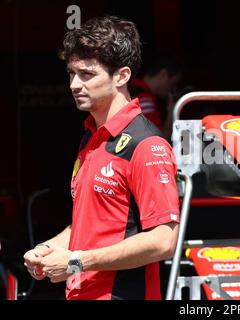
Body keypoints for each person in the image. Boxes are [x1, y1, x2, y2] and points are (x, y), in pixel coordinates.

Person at [22, 15, 180, 300]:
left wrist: (75, 261)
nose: (73, 84)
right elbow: (88, 225)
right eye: (71, 73)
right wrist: (47, 249)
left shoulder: (146, 144)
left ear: (122, 76)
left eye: (87, 74)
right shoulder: (91, 138)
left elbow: (164, 240)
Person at [130, 51, 182, 141]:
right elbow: (157, 141)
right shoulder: (146, 100)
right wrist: (171, 113)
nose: (173, 89)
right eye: (173, 83)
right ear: (163, 75)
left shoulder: (129, 87)